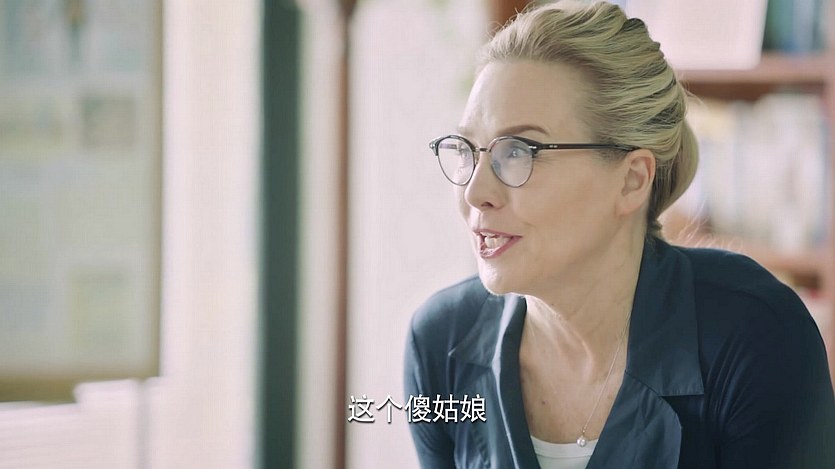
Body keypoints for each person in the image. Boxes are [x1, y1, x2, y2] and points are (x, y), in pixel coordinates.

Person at [402, 1, 835, 468]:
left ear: (631, 180)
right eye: (469, 149)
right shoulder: (440, 343)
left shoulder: (757, 337)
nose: (475, 192)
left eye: (519, 151)